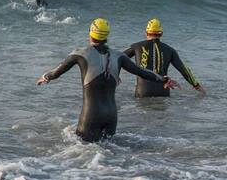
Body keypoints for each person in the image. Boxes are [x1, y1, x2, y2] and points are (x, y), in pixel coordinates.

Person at [37, 18, 177, 142]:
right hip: (111, 117)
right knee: (109, 157)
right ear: (106, 35)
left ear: (91, 33)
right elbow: (142, 72)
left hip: (91, 116)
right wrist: (163, 79)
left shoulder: (80, 54)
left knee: (86, 157)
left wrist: (46, 77)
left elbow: (58, 71)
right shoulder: (119, 56)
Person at [123, 19, 204, 97]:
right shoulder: (170, 50)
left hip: (143, 92)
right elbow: (183, 69)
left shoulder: (136, 46)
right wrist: (196, 85)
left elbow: (118, 59)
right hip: (163, 91)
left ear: (146, 33)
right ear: (161, 34)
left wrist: (115, 76)